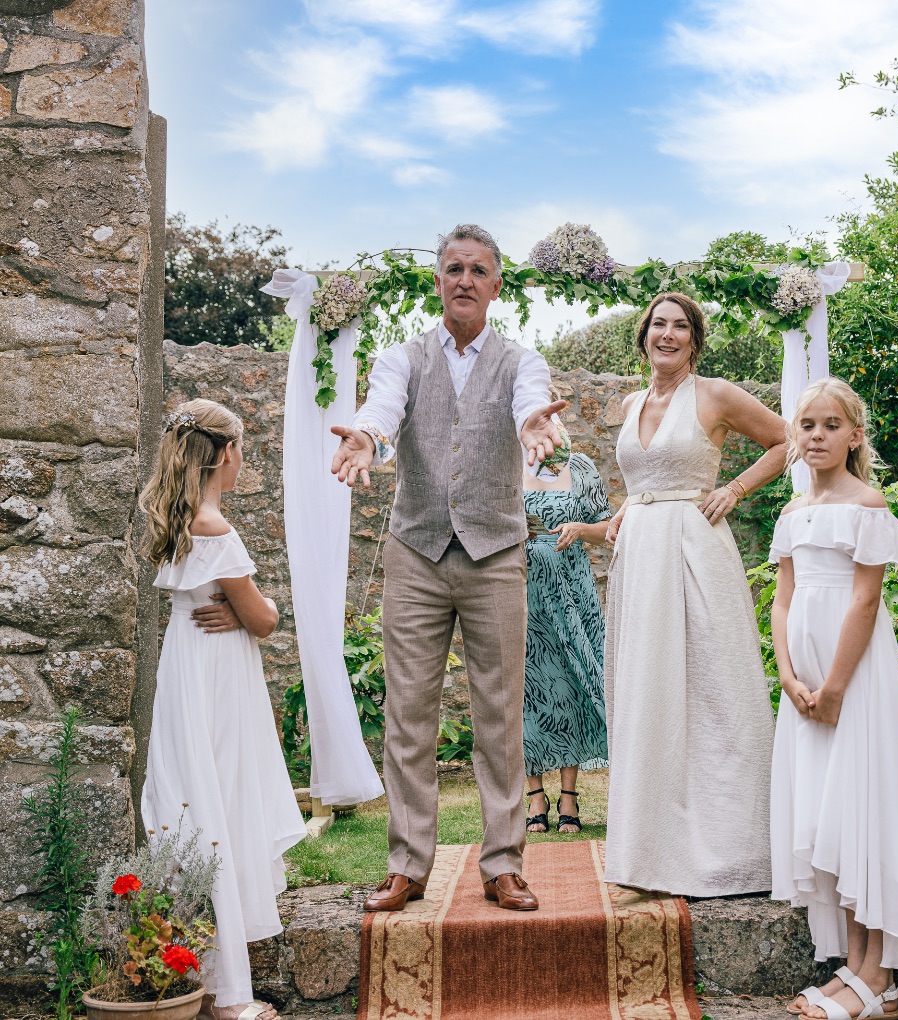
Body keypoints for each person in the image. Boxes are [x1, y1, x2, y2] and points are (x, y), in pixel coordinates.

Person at [330, 224, 566, 913]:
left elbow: (530, 402)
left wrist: (533, 424)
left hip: (495, 555)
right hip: (417, 553)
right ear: (438, 282)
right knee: (408, 713)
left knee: (500, 715)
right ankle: (406, 866)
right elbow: (383, 407)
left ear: (497, 286)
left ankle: (504, 866)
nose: (465, 280)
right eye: (454, 269)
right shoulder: (402, 357)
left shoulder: (521, 361)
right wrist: (368, 436)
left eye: (478, 270)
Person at [767, 377, 898, 1019]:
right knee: (831, 817)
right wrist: (789, 675)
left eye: (831, 425)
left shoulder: (867, 504)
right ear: (795, 435)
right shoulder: (791, 514)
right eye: (807, 425)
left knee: (863, 807)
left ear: (854, 435)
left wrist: (836, 687)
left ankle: (881, 974)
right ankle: (854, 965)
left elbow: (865, 600)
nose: (817, 435)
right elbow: (783, 600)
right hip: (806, 688)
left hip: (852, 680)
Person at [603, 291, 786, 896]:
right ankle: (649, 852)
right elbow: (643, 479)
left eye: (680, 326)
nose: (668, 334)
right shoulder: (631, 403)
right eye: (658, 324)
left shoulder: (716, 395)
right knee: (646, 691)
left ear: (694, 340)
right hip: (640, 561)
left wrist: (734, 489)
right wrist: (622, 516)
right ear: (644, 336)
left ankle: (735, 848)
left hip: (695, 552)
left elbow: (786, 440)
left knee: (713, 689)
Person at [139, 398, 306, 1020]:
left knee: (193, 795)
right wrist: (252, 612)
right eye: (241, 451)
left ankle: (199, 977)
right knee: (220, 802)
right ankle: (226, 994)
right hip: (218, 675)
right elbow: (263, 618)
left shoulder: (179, 520)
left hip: (188, 664)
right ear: (226, 453)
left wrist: (236, 612)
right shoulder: (215, 528)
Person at [521, 450, 611, 834]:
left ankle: (569, 797)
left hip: (573, 592)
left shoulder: (580, 467)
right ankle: (535, 797)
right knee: (527, 688)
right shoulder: (507, 462)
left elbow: (609, 528)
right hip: (521, 590)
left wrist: (580, 529)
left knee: (572, 686)